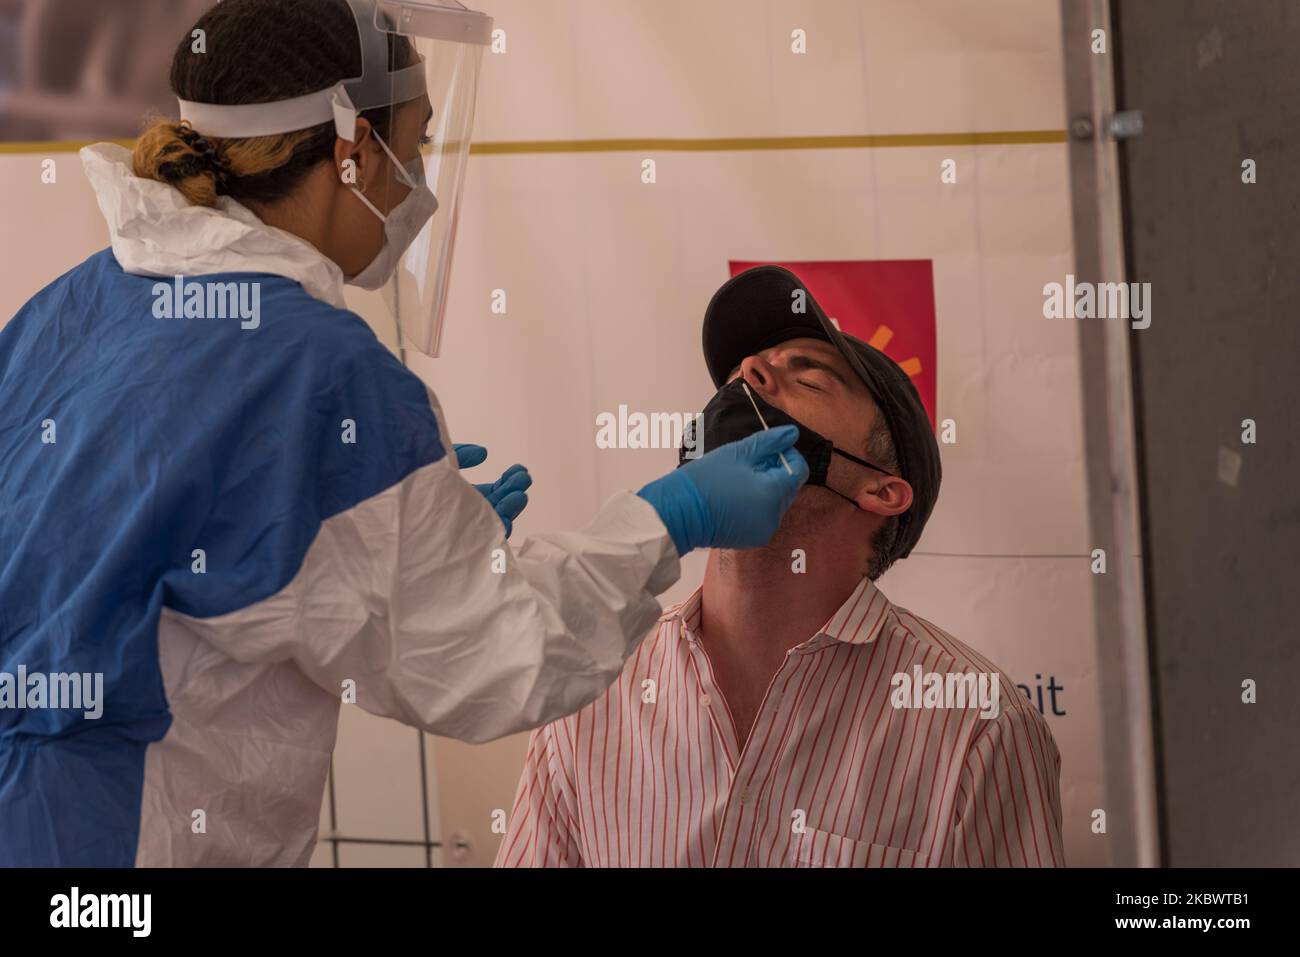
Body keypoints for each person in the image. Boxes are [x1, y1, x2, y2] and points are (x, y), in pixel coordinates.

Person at [0, 0, 807, 867]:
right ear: (349, 151)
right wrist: (671, 515)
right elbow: (493, 653)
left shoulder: (70, 304)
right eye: (411, 146)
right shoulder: (317, 368)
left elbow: (146, 545)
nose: (416, 178)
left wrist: (392, 541)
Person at [495, 265, 1065, 867]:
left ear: (880, 490)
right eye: (752, 366)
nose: (749, 373)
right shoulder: (594, 687)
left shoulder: (976, 723)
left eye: (809, 376)